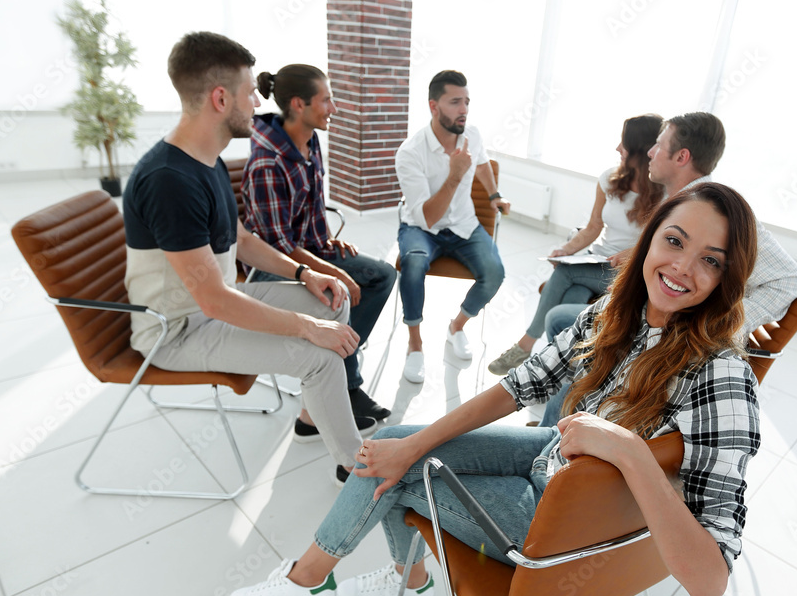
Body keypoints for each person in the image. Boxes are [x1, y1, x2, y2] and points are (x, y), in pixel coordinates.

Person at [227, 182, 761, 596]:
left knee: (395, 474)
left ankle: (311, 580)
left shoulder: (722, 377)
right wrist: (418, 441)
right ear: (648, 242)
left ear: (728, 278)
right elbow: (518, 386)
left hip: (565, 521)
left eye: (710, 260)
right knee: (396, 444)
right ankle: (402, 583)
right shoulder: (616, 315)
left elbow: (709, 581)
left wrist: (629, 450)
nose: (683, 268)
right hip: (555, 455)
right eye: (674, 241)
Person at [122, 32, 375, 488]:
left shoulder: (207, 160)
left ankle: (311, 418)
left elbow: (239, 239)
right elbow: (214, 302)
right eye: (249, 93)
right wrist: (304, 326)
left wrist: (305, 273)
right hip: (178, 329)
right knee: (315, 354)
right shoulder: (168, 181)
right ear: (221, 99)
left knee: (333, 300)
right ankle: (358, 470)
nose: (259, 102)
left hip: (216, 301)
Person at [531, 112, 797, 427]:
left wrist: (717, 325)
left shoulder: (717, 211)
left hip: (675, 336)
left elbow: (789, 281)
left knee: (568, 323)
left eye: (658, 146)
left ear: (682, 157)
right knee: (570, 318)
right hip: (656, 319)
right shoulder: (680, 200)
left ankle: (555, 431)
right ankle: (558, 422)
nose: (650, 152)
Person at [241, 64, 396, 424]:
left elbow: (311, 208)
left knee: (383, 275)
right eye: (326, 100)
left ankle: (335, 368)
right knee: (342, 290)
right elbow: (278, 245)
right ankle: (342, 385)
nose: (334, 108)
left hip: (307, 249)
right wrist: (331, 270)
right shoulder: (268, 163)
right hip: (272, 268)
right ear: (298, 104)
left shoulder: (309, 140)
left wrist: (328, 243)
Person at [488, 114, 665, 375]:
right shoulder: (609, 179)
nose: (617, 148)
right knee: (566, 303)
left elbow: (658, 246)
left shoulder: (665, 194)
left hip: (627, 272)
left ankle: (525, 346)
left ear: (641, 149)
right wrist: (565, 250)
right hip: (596, 261)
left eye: (624, 143)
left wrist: (630, 255)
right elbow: (594, 227)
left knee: (565, 272)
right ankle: (556, 369)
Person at [394, 70, 511, 384]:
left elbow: (483, 163)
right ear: (434, 106)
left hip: (464, 225)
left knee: (495, 273)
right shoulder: (409, 153)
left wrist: (495, 195)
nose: (464, 109)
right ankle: (415, 344)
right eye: (455, 102)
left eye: (467, 102)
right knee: (414, 263)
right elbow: (428, 218)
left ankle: (456, 326)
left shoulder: (472, 133)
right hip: (422, 228)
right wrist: (456, 174)